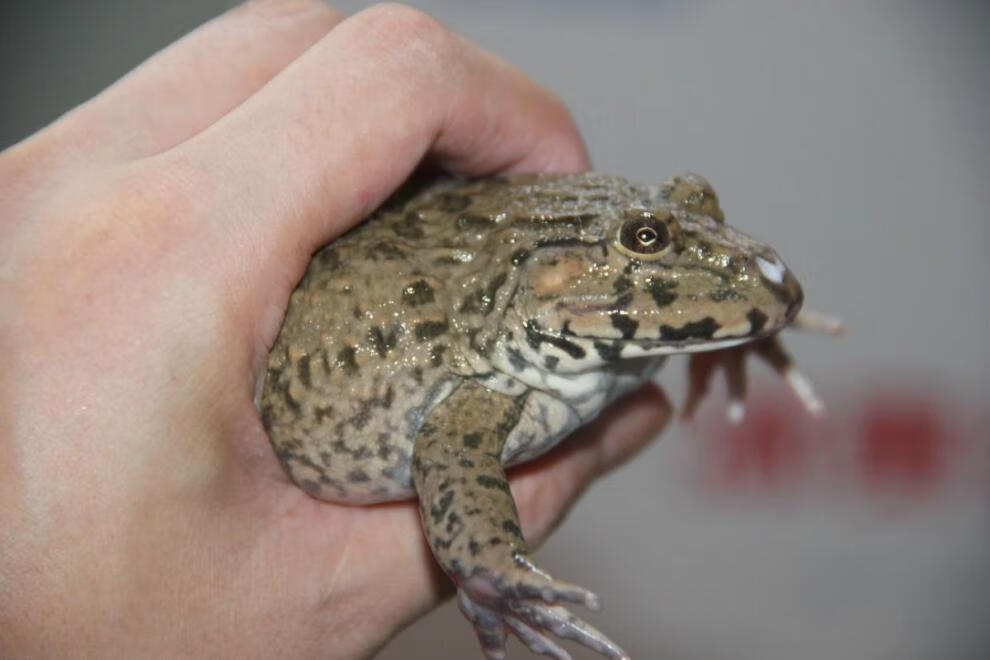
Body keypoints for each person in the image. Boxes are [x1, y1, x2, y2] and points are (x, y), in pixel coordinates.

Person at [0, 2, 669, 656]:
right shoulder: (489, 388)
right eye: (645, 243)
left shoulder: (598, 328)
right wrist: (492, 571)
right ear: (553, 273)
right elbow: (450, 452)